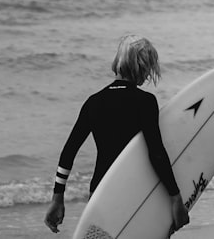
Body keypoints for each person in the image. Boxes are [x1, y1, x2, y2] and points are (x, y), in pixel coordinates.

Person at [44, 34, 190, 235]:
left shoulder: (93, 102)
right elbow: (156, 152)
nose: (148, 74)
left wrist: (57, 198)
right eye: (148, 67)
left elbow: (69, 151)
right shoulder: (145, 102)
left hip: (100, 193)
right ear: (142, 66)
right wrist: (175, 197)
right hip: (135, 191)